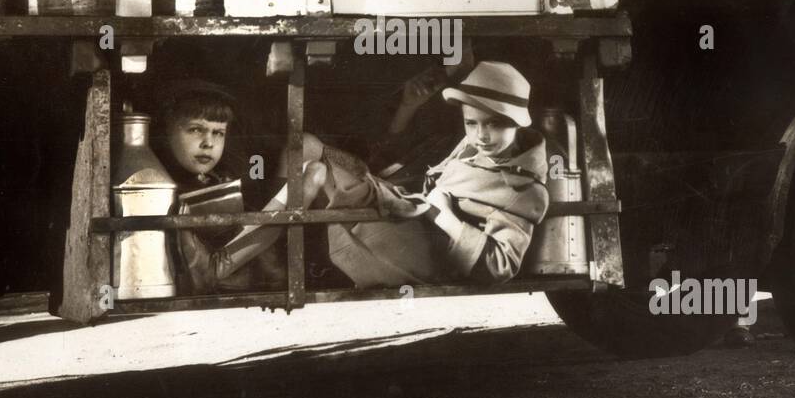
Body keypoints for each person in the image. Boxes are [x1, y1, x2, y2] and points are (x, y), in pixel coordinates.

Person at [193, 61, 551, 289]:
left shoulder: (523, 187)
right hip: (402, 202)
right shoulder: (472, 147)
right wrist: (408, 108)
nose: (482, 135)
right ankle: (254, 261)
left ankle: (232, 262)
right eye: (472, 124)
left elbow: (501, 267)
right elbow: (397, 159)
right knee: (309, 152)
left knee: (316, 171)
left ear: (520, 124)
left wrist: (443, 214)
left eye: (495, 124)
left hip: (426, 251)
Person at [155, 81, 285, 295]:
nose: (209, 143)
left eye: (218, 133)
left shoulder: (224, 178)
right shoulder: (160, 184)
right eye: (196, 129)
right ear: (168, 129)